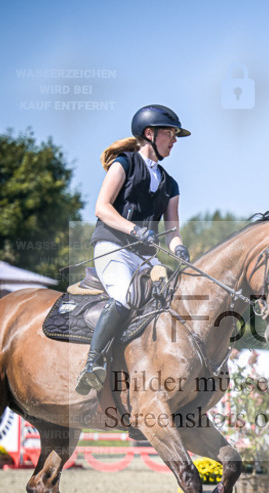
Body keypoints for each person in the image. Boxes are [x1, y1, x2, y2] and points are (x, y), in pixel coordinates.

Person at [76, 104, 194, 395]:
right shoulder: (124, 164)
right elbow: (102, 208)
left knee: (168, 304)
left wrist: (179, 250)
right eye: (171, 133)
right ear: (150, 133)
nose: (174, 140)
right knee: (125, 296)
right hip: (112, 247)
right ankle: (92, 363)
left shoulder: (171, 183)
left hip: (145, 257)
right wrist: (134, 229)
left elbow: (173, 231)